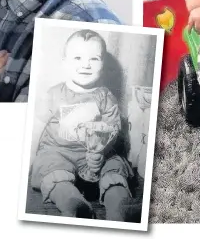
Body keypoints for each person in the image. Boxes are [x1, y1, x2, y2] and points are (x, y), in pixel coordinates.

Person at [29, 29, 140, 221]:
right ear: (65, 62)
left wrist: (99, 154)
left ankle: (119, 207)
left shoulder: (105, 97)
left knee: (113, 167)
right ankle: (72, 203)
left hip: (99, 154)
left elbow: (112, 129)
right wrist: (30, 158)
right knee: (51, 168)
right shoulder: (54, 94)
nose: (85, 65)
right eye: (78, 58)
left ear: (103, 64)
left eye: (94, 59)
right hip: (58, 151)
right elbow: (36, 127)